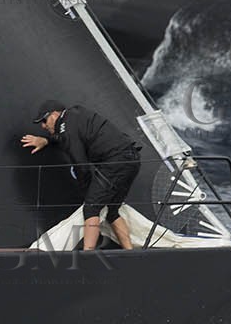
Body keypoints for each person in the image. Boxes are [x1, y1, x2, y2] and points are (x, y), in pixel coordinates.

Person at [21, 100, 142, 251]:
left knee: (91, 208)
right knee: (112, 210)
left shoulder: (67, 128)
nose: (43, 126)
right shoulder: (75, 114)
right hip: (132, 159)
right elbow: (68, 137)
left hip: (115, 162)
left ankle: (88, 255)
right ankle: (130, 253)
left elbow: (80, 165)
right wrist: (46, 140)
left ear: (54, 115)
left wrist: (87, 192)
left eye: (44, 121)